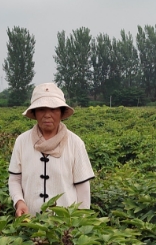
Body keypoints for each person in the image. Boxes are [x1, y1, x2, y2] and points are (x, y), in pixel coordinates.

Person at [8, 83, 94, 216]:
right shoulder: (22, 141)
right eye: (41, 109)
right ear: (35, 113)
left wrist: (80, 222)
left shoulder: (75, 143)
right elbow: (15, 179)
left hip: (65, 226)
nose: (47, 115)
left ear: (61, 112)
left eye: (53, 109)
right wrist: (19, 202)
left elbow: (83, 188)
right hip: (30, 223)